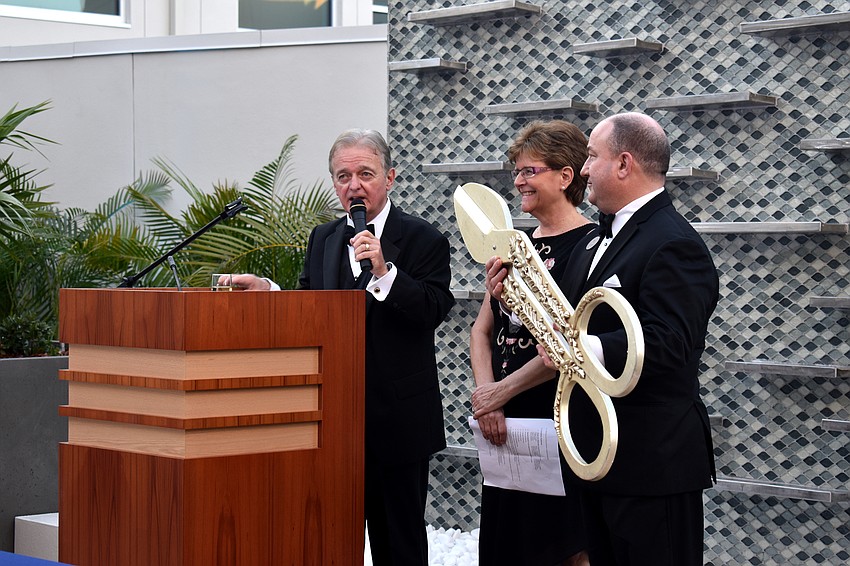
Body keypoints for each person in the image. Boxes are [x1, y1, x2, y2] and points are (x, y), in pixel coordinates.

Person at [495, 112, 715, 565]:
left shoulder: (674, 242)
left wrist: (583, 348)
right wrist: (513, 298)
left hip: (651, 465)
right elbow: (567, 319)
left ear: (624, 163)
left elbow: (671, 342)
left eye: (593, 156)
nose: (585, 168)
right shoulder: (599, 238)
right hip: (595, 459)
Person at [229, 129, 455, 566]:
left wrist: (385, 272)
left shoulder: (423, 238)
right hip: (330, 420)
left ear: (389, 177)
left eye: (365, 174)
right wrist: (269, 293)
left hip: (397, 421)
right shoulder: (324, 238)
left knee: (399, 544)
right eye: (343, 176)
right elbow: (310, 308)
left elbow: (433, 310)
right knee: (328, 536)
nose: (354, 185)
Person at [469, 120, 592, 566]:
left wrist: (500, 393)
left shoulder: (592, 247)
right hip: (504, 420)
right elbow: (481, 331)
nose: (519, 181)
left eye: (529, 171)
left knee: (562, 546)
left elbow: (569, 345)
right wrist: (489, 399)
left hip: (558, 418)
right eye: (516, 171)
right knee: (508, 544)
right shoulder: (515, 247)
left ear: (565, 176)